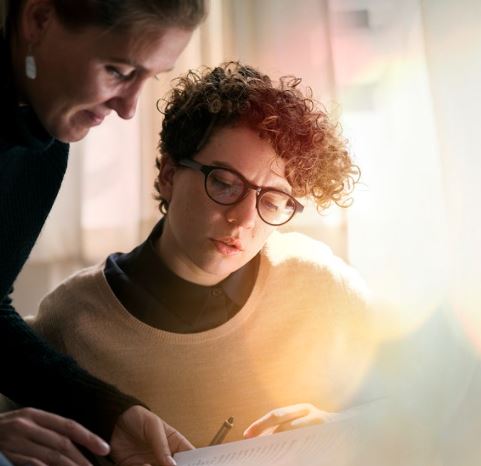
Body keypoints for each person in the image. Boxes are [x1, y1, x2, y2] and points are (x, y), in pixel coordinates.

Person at [28, 62, 376, 448]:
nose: (243, 218)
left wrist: (335, 428)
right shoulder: (70, 322)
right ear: (169, 175)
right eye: (225, 184)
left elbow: (411, 412)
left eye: (274, 200)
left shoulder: (319, 284)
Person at [0, 1, 206, 465]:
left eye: (149, 77)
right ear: (38, 20)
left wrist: (113, 414)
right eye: (117, 70)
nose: (129, 108)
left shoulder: (41, 147)